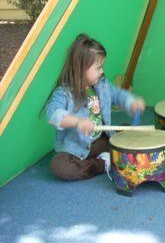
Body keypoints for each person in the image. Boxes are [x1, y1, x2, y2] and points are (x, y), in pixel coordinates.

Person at [44, 34, 145, 181]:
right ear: (81, 68)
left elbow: (117, 95)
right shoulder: (63, 93)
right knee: (60, 166)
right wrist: (77, 122)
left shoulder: (102, 84)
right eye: (98, 68)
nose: (102, 71)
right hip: (76, 148)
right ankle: (103, 163)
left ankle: (111, 151)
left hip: (101, 139)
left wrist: (131, 102)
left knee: (128, 131)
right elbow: (53, 113)